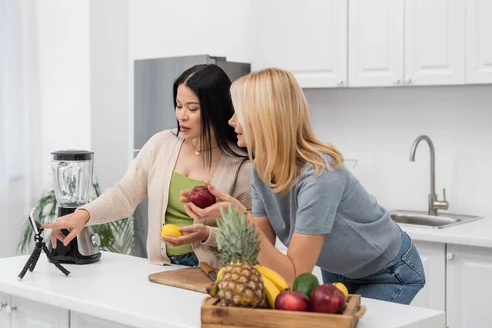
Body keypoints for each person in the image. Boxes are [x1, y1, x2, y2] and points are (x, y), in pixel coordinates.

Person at [186, 67, 425, 305]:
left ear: (265, 116)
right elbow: (260, 250)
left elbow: (294, 276)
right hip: (338, 268)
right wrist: (228, 215)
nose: (231, 120)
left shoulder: (321, 175)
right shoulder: (261, 169)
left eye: (239, 112)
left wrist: (241, 219)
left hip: (388, 272)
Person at [41, 64, 252, 267]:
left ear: (216, 110)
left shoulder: (241, 166)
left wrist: (208, 235)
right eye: (178, 106)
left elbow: (251, 235)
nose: (181, 116)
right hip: (160, 268)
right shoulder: (161, 144)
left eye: (192, 108)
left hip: (212, 274)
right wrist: (83, 215)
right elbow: (124, 195)